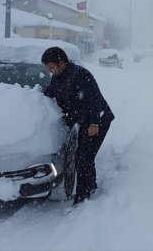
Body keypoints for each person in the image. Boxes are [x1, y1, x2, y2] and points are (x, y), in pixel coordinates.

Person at [41, 46, 115, 205]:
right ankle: (90, 186)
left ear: (61, 63)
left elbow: (94, 99)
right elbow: (50, 92)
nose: (51, 71)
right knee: (85, 156)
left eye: (52, 67)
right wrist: (34, 97)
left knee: (83, 158)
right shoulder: (58, 77)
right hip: (84, 120)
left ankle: (83, 197)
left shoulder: (81, 74)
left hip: (97, 120)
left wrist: (94, 123)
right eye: (49, 69)